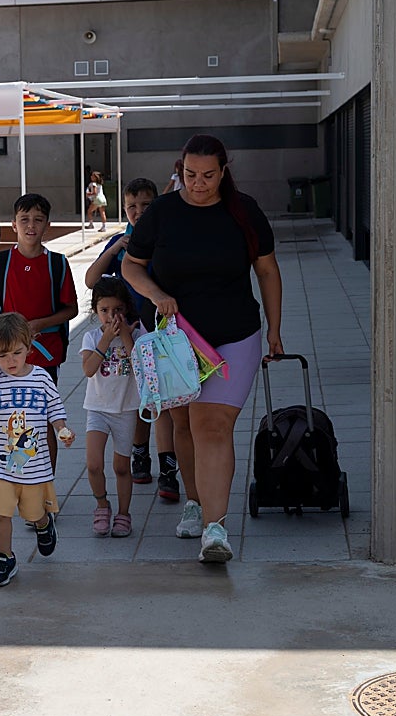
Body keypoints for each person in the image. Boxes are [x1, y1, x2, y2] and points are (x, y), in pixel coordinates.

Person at [122, 134, 283, 564]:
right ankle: (195, 502)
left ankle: (216, 528)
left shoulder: (243, 210)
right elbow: (130, 265)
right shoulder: (162, 213)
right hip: (179, 340)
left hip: (236, 335)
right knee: (186, 425)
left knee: (213, 425)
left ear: (224, 171)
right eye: (190, 174)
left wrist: (275, 330)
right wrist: (156, 294)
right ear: (180, 169)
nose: (198, 183)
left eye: (208, 175)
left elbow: (267, 271)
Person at [0, 312, 75, 586]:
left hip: (32, 465)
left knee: (33, 512)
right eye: (2, 355)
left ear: (29, 347)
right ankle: (4, 556)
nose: (10, 361)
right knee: (1, 512)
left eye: (16, 353)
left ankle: (43, 524)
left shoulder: (41, 379)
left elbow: (55, 410)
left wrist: (61, 429)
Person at [84, 177, 180, 502]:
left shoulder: (167, 239)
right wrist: (114, 248)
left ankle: (169, 467)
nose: (139, 212)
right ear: (124, 210)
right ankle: (140, 454)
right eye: (131, 207)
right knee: (142, 402)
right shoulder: (121, 242)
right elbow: (90, 279)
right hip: (133, 338)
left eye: (146, 205)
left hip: (165, 335)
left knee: (163, 402)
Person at [0, 193, 79, 486]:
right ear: (13, 224)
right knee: (14, 421)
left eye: (38, 219)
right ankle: (20, 479)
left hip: (45, 355)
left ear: (47, 224)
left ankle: (44, 485)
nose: (31, 225)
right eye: (24, 219)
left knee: (45, 418)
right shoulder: (0, 262)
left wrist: (39, 324)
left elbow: (71, 309)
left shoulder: (58, 264)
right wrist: (9, 334)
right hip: (11, 358)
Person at [80, 278, 145, 537]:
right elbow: (88, 369)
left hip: (126, 410)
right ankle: (102, 505)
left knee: (121, 467)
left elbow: (140, 365)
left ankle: (124, 513)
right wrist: (105, 340)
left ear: (126, 309)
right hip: (97, 408)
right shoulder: (91, 336)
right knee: (93, 464)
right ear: (96, 311)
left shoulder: (137, 334)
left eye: (117, 309)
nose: (111, 316)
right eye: (104, 310)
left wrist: (126, 334)